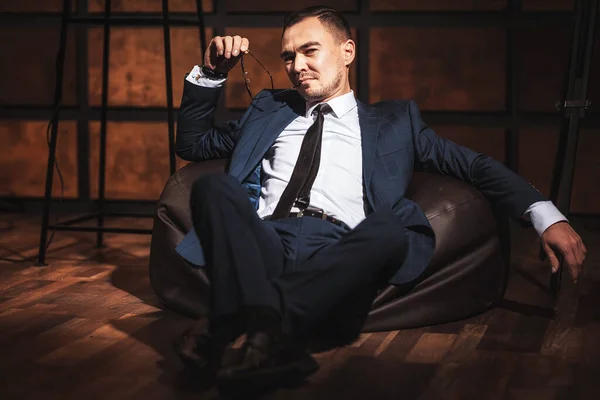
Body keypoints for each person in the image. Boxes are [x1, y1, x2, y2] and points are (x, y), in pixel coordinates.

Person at [171, 5, 587, 395]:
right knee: (211, 189)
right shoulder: (268, 109)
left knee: (392, 228)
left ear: (346, 51)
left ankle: (240, 322)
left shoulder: (394, 122)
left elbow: (474, 166)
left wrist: (544, 215)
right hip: (263, 237)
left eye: (309, 51)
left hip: (341, 244)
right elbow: (192, 144)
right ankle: (275, 339)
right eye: (287, 57)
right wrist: (211, 73)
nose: (297, 67)